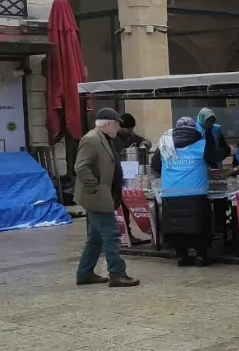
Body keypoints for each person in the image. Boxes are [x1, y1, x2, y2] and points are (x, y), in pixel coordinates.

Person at [74, 108, 139, 288]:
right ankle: (117, 274)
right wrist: (95, 188)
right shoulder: (91, 139)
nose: (118, 129)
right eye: (117, 125)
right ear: (108, 124)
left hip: (102, 196)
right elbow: (81, 168)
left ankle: (84, 273)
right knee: (111, 235)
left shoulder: (104, 139)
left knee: (95, 238)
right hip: (97, 198)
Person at [151, 116, 225, 266]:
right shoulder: (202, 144)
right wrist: (226, 148)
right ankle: (201, 256)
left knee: (176, 227)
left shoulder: (164, 145)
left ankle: (181, 256)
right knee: (199, 227)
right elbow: (215, 157)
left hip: (171, 192)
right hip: (196, 192)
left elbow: (155, 165)